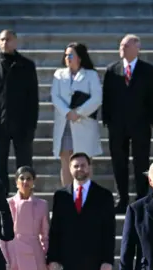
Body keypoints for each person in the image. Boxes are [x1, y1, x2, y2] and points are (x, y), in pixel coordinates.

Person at [102, 34, 153, 213]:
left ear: (137, 48)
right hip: (117, 125)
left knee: (141, 162)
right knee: (119, 162)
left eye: (126, 45)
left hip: (140, 124)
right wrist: (107, 120)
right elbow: (107, 97)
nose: (122, 49)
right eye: (121, 45)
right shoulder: (113, 70)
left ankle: (142, 198)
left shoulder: (148, 70)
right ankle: (122, 198)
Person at [0, 29, 39, 195]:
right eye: (1, 40)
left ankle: (25, 198)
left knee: (24, 166)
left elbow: (33, 99)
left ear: (15, 42)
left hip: (22, 125)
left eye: (8, 39)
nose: (4, 43)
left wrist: (31, 126)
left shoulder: (27, 66)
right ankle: (1, 203)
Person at [51, 42, 103, 187]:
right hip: (65, 124)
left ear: (79, 57)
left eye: (71, 55)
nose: (67, 58)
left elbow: (97, 98)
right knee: (66, 162)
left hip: (84, 124)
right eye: (66, 55)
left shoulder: (91, 75)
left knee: (84, 162)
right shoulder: (59, 74)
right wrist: (67, 112)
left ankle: (86, 195)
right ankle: (67, 196)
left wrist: (78, 112)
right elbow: (55, 96)